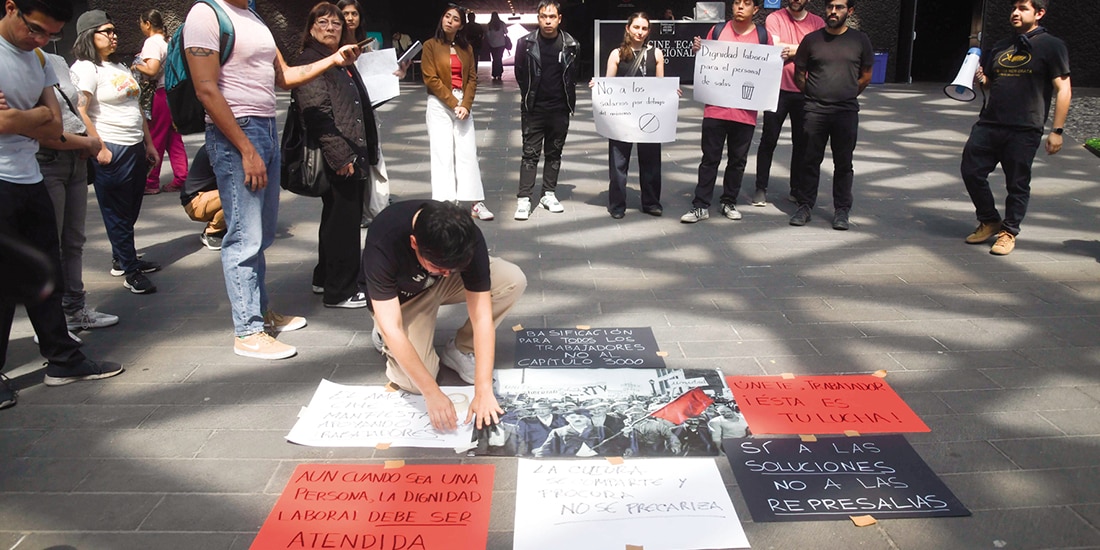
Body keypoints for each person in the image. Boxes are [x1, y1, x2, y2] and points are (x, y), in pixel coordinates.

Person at [184, 0, 362, 359]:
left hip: (265, 125)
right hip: (237, 130)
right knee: (244, 235)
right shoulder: (206, 14)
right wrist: (245, 148)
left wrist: (334, 59)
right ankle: (248, 330)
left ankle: (262, 313)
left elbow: (283, 77)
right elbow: (206, 89)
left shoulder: (252, 15)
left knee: (261, 232)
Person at [1, 0, 124, 410]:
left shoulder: (36, 56)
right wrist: (31, 118)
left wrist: (22, 117)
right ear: (11, 8)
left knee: (47, 271)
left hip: (28, 175)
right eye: (34, 29)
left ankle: (62, 359)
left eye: (50, 34)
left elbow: (53, 124)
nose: (39, 39)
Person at [363, 200, 526, 431]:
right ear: (414, 243)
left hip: (442, 287)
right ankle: (382, 340)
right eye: (438, 266)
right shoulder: (384, 239)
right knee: (415, 383)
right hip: (402, 300)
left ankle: (461, 349)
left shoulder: (465, 237)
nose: (446, 273)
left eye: (453, 268)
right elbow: (393, 328)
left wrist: (483, 390)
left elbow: (481, 317)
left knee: (512, 280)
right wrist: (432, 393)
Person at [960, 0, 1070, 255]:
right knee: (971, 171)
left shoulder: (1052, 46)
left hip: (1024, 127)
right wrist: (982, 79)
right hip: (989, 123)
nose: (1015, 13)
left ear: (1039, 13)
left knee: (1017, 183)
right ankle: (989, 220)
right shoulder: (1001, 46)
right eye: (1014, 8)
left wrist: (1057, 130)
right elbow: (991, 83)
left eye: (1023, 8)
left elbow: (1063, 88)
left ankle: (1009, 232)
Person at [295, 2, 379, 309]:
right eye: (324, 22)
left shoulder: (340, 58)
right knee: (344, 222)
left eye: (336, 23)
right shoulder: (312, 60)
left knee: (334, 218)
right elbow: (316, 112)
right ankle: (341, 290)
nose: (331, 28)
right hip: (340, 155)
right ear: (312, 27)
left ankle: (323, 277)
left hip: (351, 148)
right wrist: (341, 156)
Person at [71, 10, 161, 294]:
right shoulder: (86, 68)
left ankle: (123, 257)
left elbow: (136, 108)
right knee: (117, 212)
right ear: (89, 35)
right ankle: (130, 271)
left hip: (134, 145)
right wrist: (98, 145)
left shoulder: (120, 67)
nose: (113, 36)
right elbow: (80, 110)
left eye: (114, 31)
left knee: (131, 207)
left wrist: (149, 143)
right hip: (112, 147)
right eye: (106, 31)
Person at [35, 49, 118, 331]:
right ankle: (51, 323)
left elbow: (74, 108)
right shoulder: (14, 60)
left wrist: (86, 141)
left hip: (76, 159)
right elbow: (38, 127)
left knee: (73, 240)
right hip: (46, 160)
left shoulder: (55, 61)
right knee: (50, 242)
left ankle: (74, 308)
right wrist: (85, 143)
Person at [680, 0, 772, 224]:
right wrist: (699, 50)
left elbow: (768, 68)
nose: (740, 7)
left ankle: (728, 201)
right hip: (715, 109)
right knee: (709, 159)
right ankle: (700, 204)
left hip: (745, 112)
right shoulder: (718, 30)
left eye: (747, 3)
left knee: (737, 160)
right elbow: (706, 61)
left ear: (756, 9)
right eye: (737, 2)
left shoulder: (762, 36)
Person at [788, 0, 874, 230]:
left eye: (839, 7)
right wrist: (814, 95)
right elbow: (799, 74)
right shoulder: (812, 40)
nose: (833, 11)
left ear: (850, 11)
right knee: (809, 160)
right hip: (814, 110)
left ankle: (842, 210)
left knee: (843, 163)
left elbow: (866, 75)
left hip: (845, 111)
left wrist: (846, 93)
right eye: (830, 7)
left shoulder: (860, 40)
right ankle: (804, 205)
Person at [595, 12, 670, 219]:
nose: (640, 32)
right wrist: (599, 86)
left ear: (648, 31)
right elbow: (608, 83)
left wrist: (671, 92)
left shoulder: (656, 54)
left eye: (644, 28)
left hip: (649, 117)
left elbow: (661, 85)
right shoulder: (617, 54)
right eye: (636, 27)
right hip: (623, 118)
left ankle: (651, 202)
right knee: (619, 163)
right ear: (628, 28)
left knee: (651, 162)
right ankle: (617, 204)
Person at [422, 5, 493, 220]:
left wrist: (466, 105)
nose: (449, 21)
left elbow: (472, 78)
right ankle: (446, 203)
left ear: (461, 25)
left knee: (467, 151)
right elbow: (430, 79)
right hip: (439, 103)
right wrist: (455, 104)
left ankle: (474, 202)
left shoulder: (467, 48)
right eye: (447, 16)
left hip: (462, 103)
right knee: (442, 153)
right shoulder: (430, 46)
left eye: (455, 19)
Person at [751, 0, 823, 206]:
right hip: (777, 90)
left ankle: (796, 188)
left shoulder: (817, 22)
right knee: (768, 140)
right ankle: (760, 188)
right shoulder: (775, 18)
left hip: (805, 90)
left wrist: (792, 50)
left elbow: (817, 53)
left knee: (802, 142)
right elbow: (775, 49)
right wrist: (804, 49)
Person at [512, 0, 578, 221]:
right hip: (534, 108)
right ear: (538, 18)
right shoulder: (526, 44)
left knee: (554, 153)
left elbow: (572, 75)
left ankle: (548, 194)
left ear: (559, 18)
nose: (547, 21)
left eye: (552, 16)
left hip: (560, 108)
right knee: (529, 154)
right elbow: (520, 73)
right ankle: (524, 198)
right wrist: (530, 96)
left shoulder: (571, 44)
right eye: (543, 16)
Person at [132, 9, 188, 195]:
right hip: (172, 94)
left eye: (141, 23)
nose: (141, 27)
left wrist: (136, 65)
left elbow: (152, 69)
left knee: (154, 137)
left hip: (158, 96)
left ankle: (151, 181)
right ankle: (181, 177)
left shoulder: (152, 42)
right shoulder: (167, 41)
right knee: (173, 139)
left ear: (147, 23)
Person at [179, 145, 225, 251]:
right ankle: (213, 232)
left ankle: (224, 228)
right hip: (195, 201)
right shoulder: (216, 149)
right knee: (238, 193)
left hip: (207, 196)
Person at [536, 409, 608, 457]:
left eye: (581, 417)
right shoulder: (558, 432)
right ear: (567, 419)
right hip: (570, 464)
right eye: (573, 417)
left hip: (599, 463)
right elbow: (544, 451)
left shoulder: (602, 430)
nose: (577, 419)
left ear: (588, 418)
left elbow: (615, 449)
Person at [485, 12, 507, 83]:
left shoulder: (489, 25)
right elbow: (506, 31)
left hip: (492, 44)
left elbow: (487, 34)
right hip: (501, 44)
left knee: (494, 59)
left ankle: (494, 73)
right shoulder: (502, 24)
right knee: (499, 58)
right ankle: (499, 73)